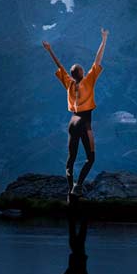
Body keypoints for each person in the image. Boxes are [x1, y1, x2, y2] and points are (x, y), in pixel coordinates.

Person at [41, 27, 108, 197]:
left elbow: (60, 66)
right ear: (82, 73)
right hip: (84, 121)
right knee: (90, 157)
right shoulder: (88, 82)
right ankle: (78, 185)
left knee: (71, 158)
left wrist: (50, 50)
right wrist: (104, 39)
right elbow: (98, 60)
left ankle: (70, 189)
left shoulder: (69, 84)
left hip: (72, 122)